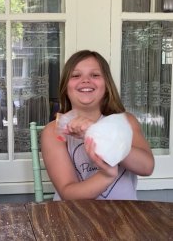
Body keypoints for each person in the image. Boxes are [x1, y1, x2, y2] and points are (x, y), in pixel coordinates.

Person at [41, 50, 154, 201]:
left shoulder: (125, 121)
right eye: (75, 75)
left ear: (107, 85)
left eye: (95, 75)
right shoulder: (54, 130)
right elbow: (68, 193)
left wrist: (96, 132)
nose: (86, 80)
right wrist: (106, 175)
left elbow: (146, 167)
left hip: (124, 218)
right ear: (65, 86)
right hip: (74, 217)